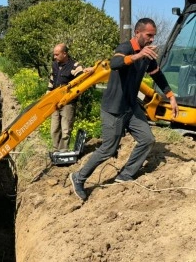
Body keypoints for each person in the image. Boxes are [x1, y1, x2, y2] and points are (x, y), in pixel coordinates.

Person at [69, 18, 179, 201]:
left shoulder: (148, 55)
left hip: (131, 106)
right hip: (113, 108)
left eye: (154, 36)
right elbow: (115, 63)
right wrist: (138, 55)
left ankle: (125, 175)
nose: (152, 39)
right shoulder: (125, 47)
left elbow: (157, 75)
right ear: (138, 33)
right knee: (108, 149)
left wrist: (171, 96)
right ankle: (79, 178)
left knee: (147, 139)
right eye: (149, 35)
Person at [48, 43, 93, 152]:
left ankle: (63, 151)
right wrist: (48, 95)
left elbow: (82, 79)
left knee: (65, 128)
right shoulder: (54, 65)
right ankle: (55, 150)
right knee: (54, 128)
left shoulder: (74, 66)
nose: (54, 57)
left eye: (57, 54)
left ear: (64, 54)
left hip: (68, 102)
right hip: (55, 101)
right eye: (54, 55)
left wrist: (88, 71)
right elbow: (51, 80)